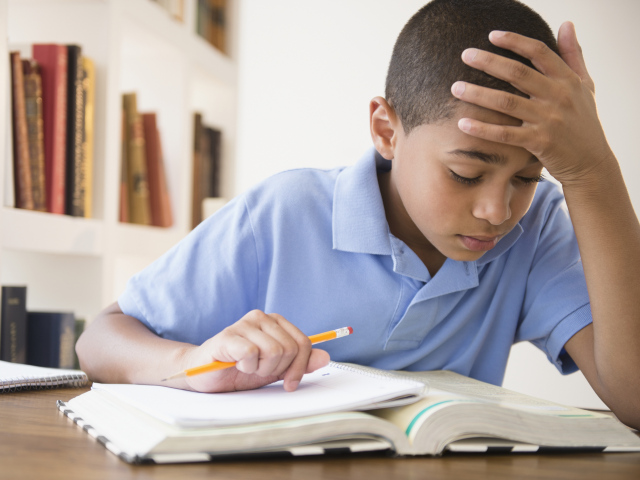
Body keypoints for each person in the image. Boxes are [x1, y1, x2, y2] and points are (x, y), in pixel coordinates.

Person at [77, 0, 640, 429]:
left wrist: (593, 172)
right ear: (385, 131)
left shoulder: (535, 229)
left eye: (527, 176)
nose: (498, 212)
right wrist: (193, 362)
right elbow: (98, 340)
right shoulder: (284, 213)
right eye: (465, 174)